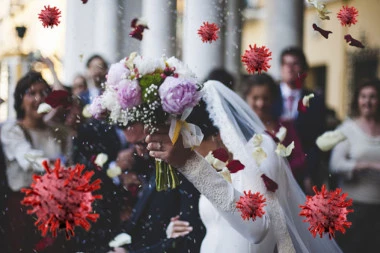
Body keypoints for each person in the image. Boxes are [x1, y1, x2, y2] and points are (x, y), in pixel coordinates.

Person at [146, 80, 342, 252]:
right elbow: (220, 224)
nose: (196, 156)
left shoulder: (261, 150)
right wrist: (177, 230)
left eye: (193, 148)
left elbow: (256, 227)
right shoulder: (219, 170)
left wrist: (191, 164)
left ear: (217, 136)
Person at [109, 123, 205, 253]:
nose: (139, 152)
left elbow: (190, 237)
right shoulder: (146, 162)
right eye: (133, 145)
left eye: (143, 143)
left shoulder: (186, 166)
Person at [0, 71, 70, 252]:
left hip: (55, 207)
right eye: (32, 93)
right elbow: (27, 157)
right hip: (24, 208)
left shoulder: (58, 132)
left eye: (44, 93)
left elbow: (68, 160)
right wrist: (57, 168)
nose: (39, 99)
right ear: (20, 100)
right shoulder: (12, 130)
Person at [329, 79, 380, 253]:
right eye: (363, 96)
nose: (367, 101)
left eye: (373, 97)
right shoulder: (347, 129)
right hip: (353, 208)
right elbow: (335, 164)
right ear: (357, 100)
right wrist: (368, 165)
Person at [244, 73, 310, 192]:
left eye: (265, 98)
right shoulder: (241, 128)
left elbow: (299, 159)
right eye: (255, 98)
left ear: (273, 98)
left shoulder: (285, 127)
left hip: (283, 189)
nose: (260, 103)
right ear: (246, 98)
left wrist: (277, 171)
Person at [278, 47, 327, 187]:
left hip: (303, 173)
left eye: (295, 64)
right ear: (281, 68)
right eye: (286, 64)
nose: (290, 68)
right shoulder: (270, 96)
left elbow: (317, 140)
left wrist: (309, 173)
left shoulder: (315, 100)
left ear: (303, 69)